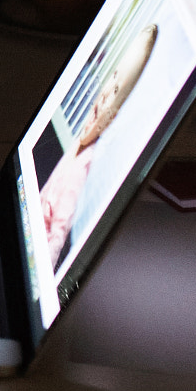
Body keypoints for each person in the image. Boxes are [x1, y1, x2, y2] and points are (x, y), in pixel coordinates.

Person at [40, 22, 158, 269]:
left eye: (116, 91)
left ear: (115, 117)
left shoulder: (83, 166)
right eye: (113, 76)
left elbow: (56, 239)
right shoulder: (77, 145)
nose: (105, 94)